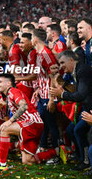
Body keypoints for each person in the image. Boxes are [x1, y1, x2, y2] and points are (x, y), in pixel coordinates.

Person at [0, 74, 59, 172]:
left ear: (8, 83)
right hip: (33, 124)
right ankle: (55, 152)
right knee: (27, 161)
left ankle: (2, 164)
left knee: (4, 129)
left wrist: (10, 121)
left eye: (0, 82)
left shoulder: (13, 91)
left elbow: (24, 106)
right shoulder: (9, 94)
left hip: (32, 122)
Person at [50, 50, 92, 170]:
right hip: (88, 107)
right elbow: (78, 91)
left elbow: (80, 96)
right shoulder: (78, 70)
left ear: (71, 60)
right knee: (70, 130)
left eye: (63, 62)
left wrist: (62, 94)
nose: (61, 66)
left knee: (78, 130)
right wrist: (62, 86)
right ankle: (80, 156)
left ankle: (87, 162)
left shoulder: (82, 71)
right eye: (60, 63)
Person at [31, 29, 60, 157]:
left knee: (51, 124)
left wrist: (51, 99)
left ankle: (57, 153)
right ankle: (43, 147)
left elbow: (54, 77)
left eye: (31, 37)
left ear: (35, 39)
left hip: (48, 96)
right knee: (43, 123)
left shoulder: (46, 55)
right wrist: (38, 89)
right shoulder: (39, 54)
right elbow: (43, 76)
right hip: (42, 95)